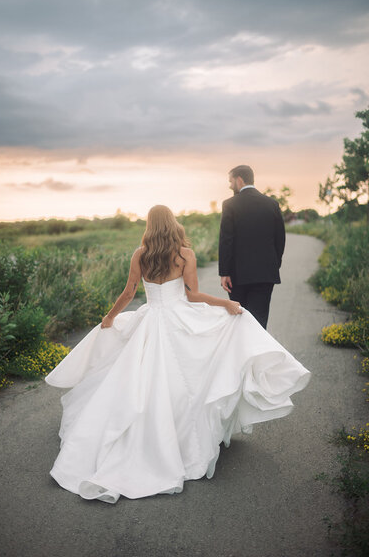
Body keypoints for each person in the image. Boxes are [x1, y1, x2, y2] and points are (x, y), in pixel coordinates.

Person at [45, 205, 310, 504]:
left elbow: (129, 293)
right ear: (172, 224)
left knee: (139, 378)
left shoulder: (140, 254)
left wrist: (109, 317)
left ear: (149, 225)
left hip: (149, 320)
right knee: (186, 375)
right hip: (176, 319)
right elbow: (192, 296)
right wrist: (227, 305)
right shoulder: (185, 254)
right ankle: (180, 437)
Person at [219, 165, 285, 329]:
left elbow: (227, 240)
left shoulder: (229, 204)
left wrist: (224, 272)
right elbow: (280, 240)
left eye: (230, 181)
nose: (230, 185)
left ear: (239, 180)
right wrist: (272, 266)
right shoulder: (272, 204)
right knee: (259, 323)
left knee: (239, 321)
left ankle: (242, 354)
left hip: (237, 276)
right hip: (265, 274)